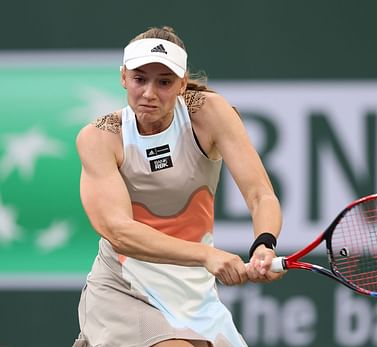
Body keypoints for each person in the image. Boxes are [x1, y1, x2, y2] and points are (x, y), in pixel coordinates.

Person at [71, 26, 283, 347]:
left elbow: (260, 195)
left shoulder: (210, 113)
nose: (149, 93)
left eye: (165, 82)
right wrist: (206, 256)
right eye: (139, 79)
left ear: (182, 83)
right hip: (126, 288)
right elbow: (118, 231)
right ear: (123, 77)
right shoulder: (100, 137)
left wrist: (264, 244)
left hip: (193, 292)